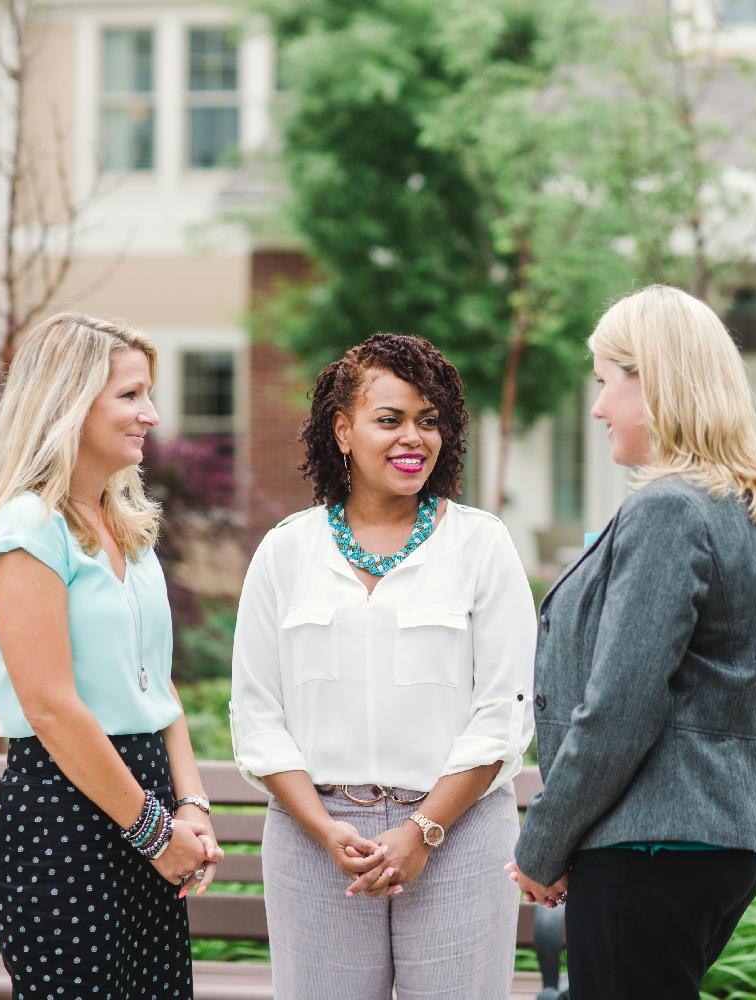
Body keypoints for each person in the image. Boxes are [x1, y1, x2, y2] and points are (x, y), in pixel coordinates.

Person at [229, 333, 536, 999]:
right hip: (317, 841)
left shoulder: (481, 545)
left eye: (429, 421)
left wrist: (422, 830)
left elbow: (504, 713)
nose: (415, 439)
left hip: (460, 833)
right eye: (389, 419)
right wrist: (322, 826)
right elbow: (257, 715)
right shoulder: (286, 552)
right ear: (342, 431)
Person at [508, 284, 756, 999]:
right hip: (717, 836)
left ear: (655, 384)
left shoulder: (667, 509)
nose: (597, 407)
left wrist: (543, 841)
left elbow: (620, 708)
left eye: (605, 383)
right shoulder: (742, 508)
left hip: (653, 842)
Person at [0, 312, 223, 999]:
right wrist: (154, 830)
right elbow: (49, 705)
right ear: (69, 403)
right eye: (131, 395)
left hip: (147, 804)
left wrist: (189, 806)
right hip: (64, 817)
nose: (152, 414)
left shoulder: (129, 528)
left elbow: (157, 691)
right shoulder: (26, 529)